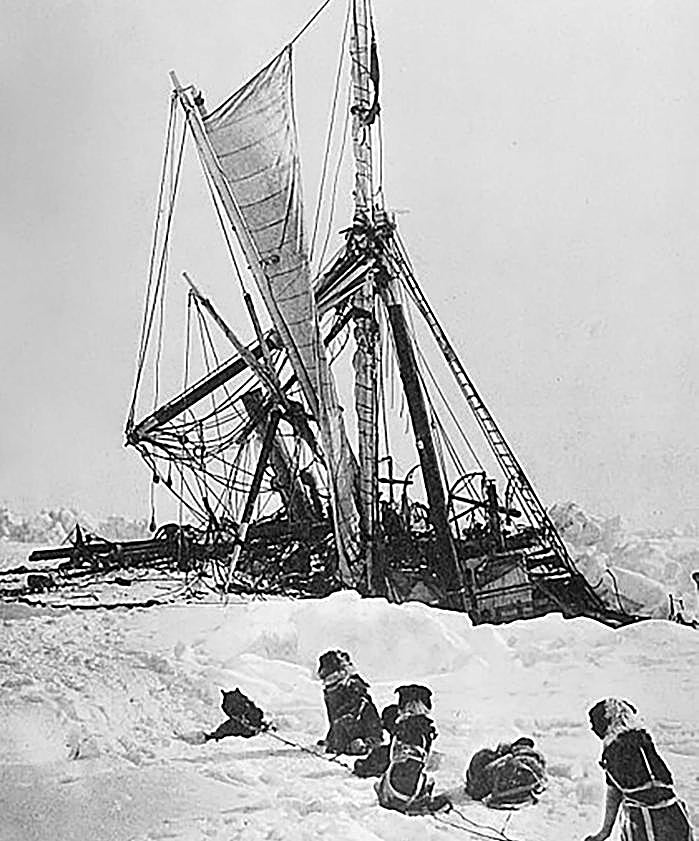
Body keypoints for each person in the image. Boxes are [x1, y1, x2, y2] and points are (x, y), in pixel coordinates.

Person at [583, 698, 694, 841]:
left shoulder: (614, 749)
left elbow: (614, 794)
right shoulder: (644, 741)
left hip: (647, 824)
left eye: (593, 724)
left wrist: (604, 833)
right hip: (675, 818)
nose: (592, 729)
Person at [317, 650, 383, 755]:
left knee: (345, 720)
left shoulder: (352, 685)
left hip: (365, 733)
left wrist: (368, 740)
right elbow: (334, 718)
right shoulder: (331, 688)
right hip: (346, 730)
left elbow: (358, 715)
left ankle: (357, 744)